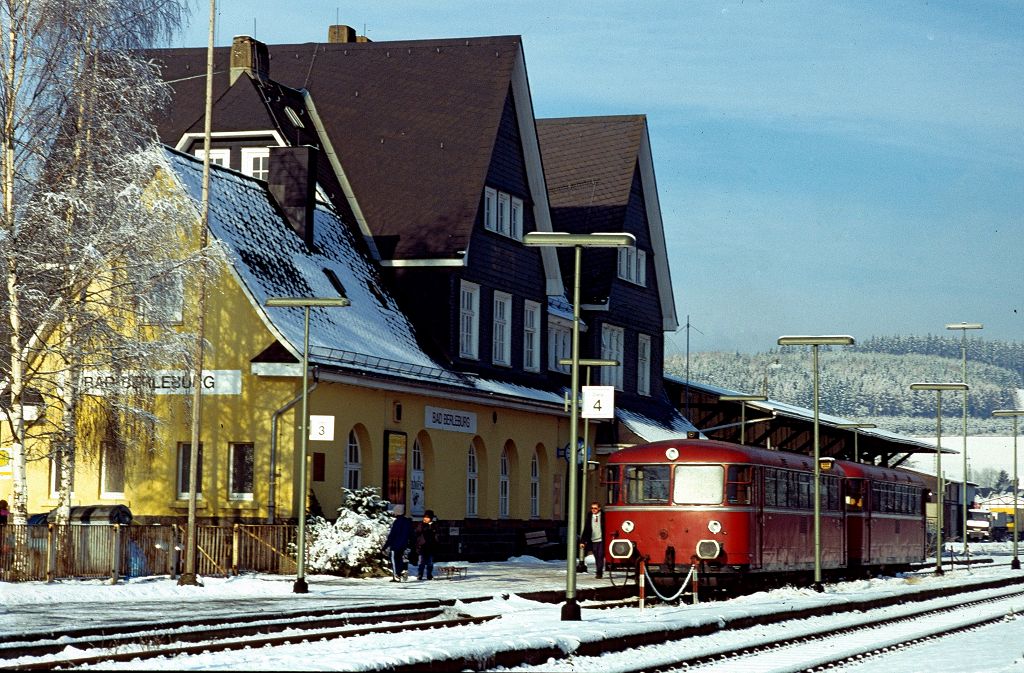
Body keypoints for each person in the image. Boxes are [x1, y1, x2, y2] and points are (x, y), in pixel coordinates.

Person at [383, 505, 413, 582]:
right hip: (404, 545)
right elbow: (412, 534)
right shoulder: (408, 522)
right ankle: (403, 570)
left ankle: (396, 575)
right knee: (400, 559)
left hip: (395, 545)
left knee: (394, 560)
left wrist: (385, 546)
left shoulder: (396, 522)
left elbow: (392, 535)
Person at [579, 501, 606, 579]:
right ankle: (598, 569)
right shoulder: (589, 516)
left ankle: (599, 572)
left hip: (601, 539)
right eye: (592, 508)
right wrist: (582, 541)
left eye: (595, 508)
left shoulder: (604, 516)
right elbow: (586, 529)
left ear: (599, 509)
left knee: (600, 555)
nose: (593, 510)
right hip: (593, 540)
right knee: (596, 556)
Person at [414, 509, 437, 580]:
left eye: (428, 518)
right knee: (421, 562)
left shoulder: (433, 525)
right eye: (425, 517)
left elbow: (435, 534)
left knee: (430, 562)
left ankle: (429, 575)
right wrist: (424, 525)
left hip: (430, 546)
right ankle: (420, 574)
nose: (426, 519)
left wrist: (431, 526)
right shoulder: (421, 524)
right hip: (422, 546)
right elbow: (417, 532)